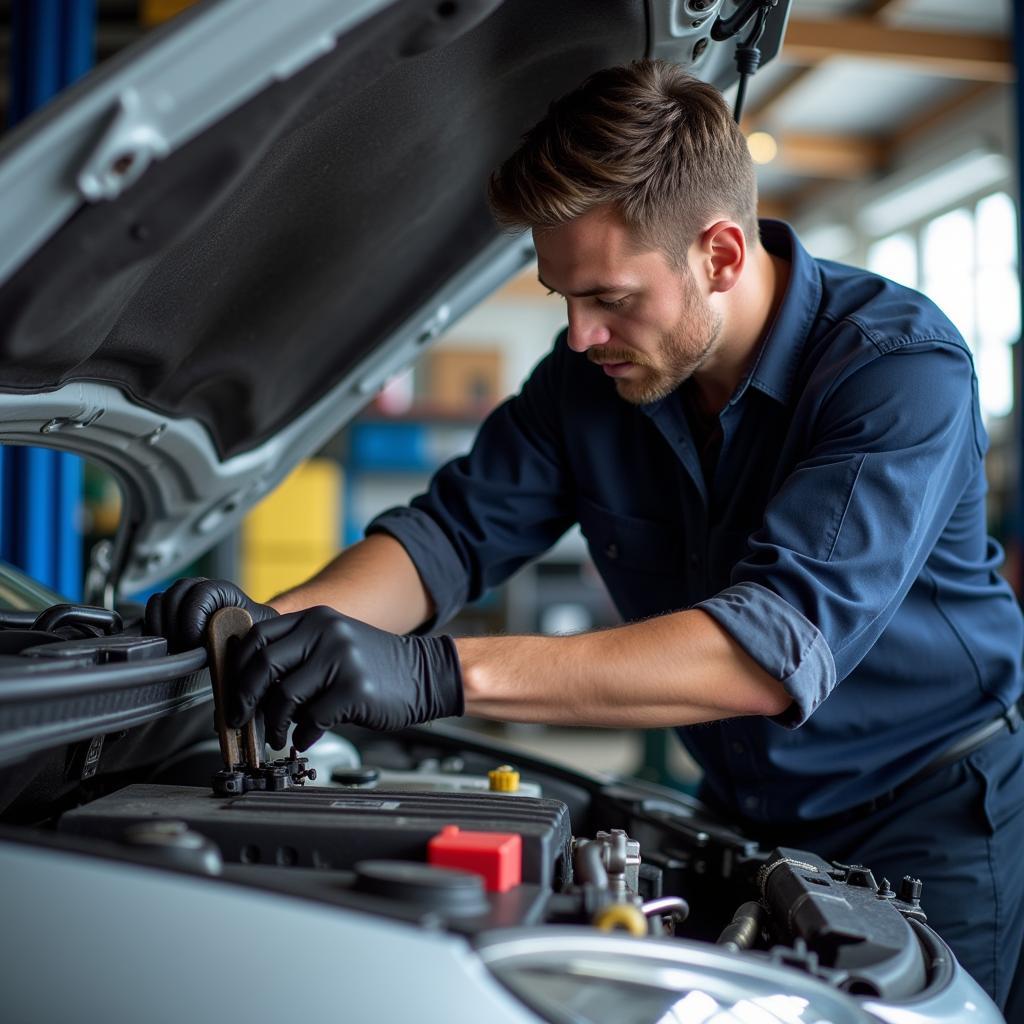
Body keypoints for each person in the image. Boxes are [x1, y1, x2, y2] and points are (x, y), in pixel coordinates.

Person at [146, 60, 1024, 1010]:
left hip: (931, 816)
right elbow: (445, 538)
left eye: (609, 297)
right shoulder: (592, 382)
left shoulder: (896, 372)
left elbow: (768, 652)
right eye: (563, 297)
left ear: (721, 255)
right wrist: (270, 628)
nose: (576, 335)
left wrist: (441, 673)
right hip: (746, 816)